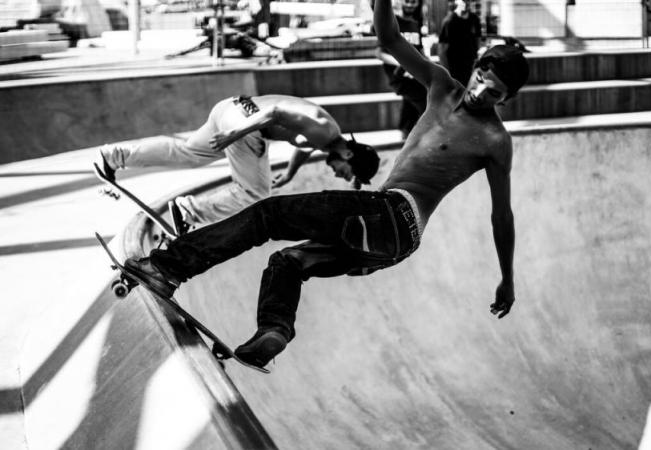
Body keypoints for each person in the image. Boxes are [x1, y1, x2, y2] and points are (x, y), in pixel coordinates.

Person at [120, 0, 529, 370]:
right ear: (476, 66)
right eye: (479, 78)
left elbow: (502, 215)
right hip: (388, 241)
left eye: (492, 93)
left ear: (506, 99)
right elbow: (388, 37)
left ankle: (165, 268)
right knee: (288, 263)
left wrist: (507, 279)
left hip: (391, 215)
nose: (478, 92)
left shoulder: (495, 141)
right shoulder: (440, 84)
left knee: (268, 215)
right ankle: (274, 331)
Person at [95, 94, 380, 233]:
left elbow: (303, 146)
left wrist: (291, 173)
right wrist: (236, 133)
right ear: (348, 156)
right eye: (347, 174)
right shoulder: (325, 129)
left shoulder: (326, 138)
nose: (339, 175)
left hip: (232, 107)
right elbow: (278, 112)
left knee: (188, 153)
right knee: (257, 193)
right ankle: (188, 211)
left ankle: (114, 156)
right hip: (245, 124)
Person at [374, 0, 427, 138]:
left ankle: (406, 133)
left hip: (414, 73)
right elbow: (380, 53)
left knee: (411, 105)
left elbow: (420, 50)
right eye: (408, 1)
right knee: (423, 101)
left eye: (414, 2)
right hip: (398, 75)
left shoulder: (416, 23)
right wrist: (402, 64)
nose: (410, 5)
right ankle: (417, 135)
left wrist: (428, 65)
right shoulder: (392, 23)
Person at [437, 0, 482, 86]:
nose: (466, 3)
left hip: (470, 68)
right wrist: (447, 73)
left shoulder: (474, 19)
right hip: (454, 69)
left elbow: (478, 41)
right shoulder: (449, 21)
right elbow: (442, 50)